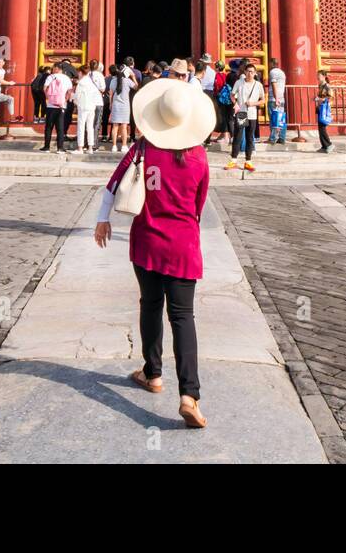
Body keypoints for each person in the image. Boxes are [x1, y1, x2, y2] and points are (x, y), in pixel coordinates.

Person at [94, 74, 213, 429]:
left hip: (146, 240)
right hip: (183, 245)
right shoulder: (199, 157)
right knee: (183, 317)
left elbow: (112, 186)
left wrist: (103, 220)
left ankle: (153, 373)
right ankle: (189, 395)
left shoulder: (142, 148)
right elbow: (198, 205)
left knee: (149, 305)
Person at [227, 62, 264, 171]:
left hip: (252, 114)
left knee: (249, 137)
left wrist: (253, 103)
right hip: (242, 113)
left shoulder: (258, 85)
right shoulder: (239, 82)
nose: (249, 74)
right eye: (248, 71)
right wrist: (235, 104)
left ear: (255, 73)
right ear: (245, 72)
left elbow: (263, 100)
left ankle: (248, 161)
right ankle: (233, 160)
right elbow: (232, 95)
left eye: (252, 72)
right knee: (238, 136)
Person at [40, 62, 73, 153]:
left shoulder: (50, 77)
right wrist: (65, 99)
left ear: (56, 68)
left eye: (53, 68)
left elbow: (45, 88)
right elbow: (70, 91)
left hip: (51, 105)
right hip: (62, 105)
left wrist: (48, 97)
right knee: (60, 127)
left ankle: (47, 147)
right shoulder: (67, 78)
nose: (52, 69)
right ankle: (60, 148)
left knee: (49, 127)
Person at [73, 57, 102, 153]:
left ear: (81, 73)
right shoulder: (91, 83)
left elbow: (77, 96)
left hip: (83, 106)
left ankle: (80, 147)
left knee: (81, 127)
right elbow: (96, 94)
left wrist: (73, 99)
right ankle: (90, 148)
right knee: (90, 127)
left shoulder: (81, 83)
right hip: (91, 106)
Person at [108, 64, 137, 154]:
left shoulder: (113, 81)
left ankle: (114, 146)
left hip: (116, 104)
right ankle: (124, 146)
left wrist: (110, 104)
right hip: (125, 105)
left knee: (115, 126)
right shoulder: (127, 81)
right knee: (124, 127)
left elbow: (111, 93)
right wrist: (133, 76)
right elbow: (136, 86)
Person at [267, 62, 287, 146]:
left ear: (271, 64)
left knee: (273, 118)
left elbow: (274, 85)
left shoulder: (273, 72)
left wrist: (276, 98)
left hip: (274, 98)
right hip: (281, 98)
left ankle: (273, 138)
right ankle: (282, 138)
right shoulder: (282, 73)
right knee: (281, 118)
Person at [314, 70, 333, 153]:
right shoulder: (320, 86)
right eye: (317, 75)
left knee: (322, 127)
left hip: (324, 108)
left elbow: (330, 97)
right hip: (320, 108)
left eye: (319, 75)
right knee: (320, 127)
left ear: (324, 76)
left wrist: (321, 99)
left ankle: (329, 144)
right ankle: (324, 146)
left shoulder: (327, 86)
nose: (318, 77)